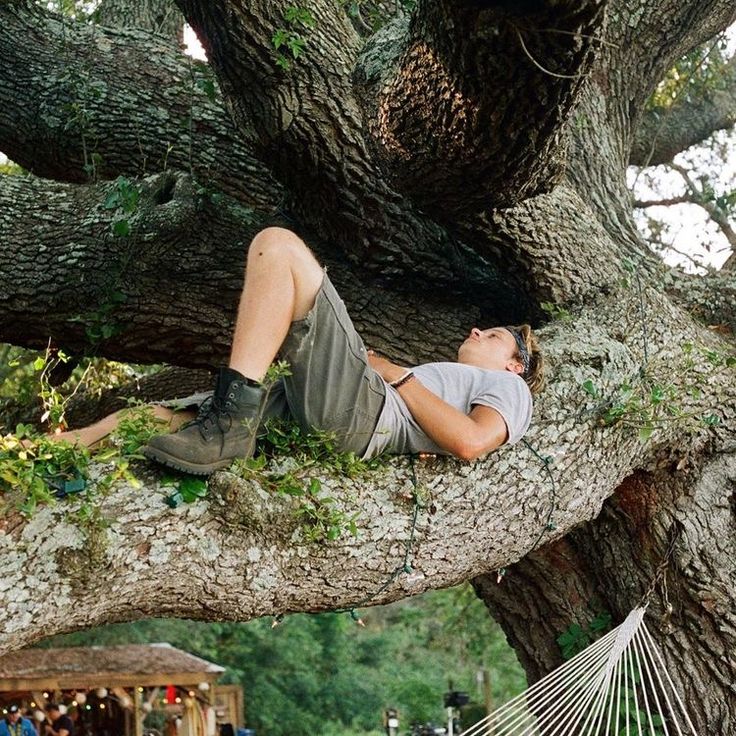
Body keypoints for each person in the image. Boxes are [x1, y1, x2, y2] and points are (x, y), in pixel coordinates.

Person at [138, 227, 543, 475]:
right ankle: (76, 445)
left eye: (493, 336)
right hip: (340, 410)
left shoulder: (512, 390)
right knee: (151, 419)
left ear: (514, 365)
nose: (477, 330)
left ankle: (229, 426)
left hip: (366, 414)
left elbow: (470, 442)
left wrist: (397, 373)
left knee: (279, 245)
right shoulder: (457, 381)